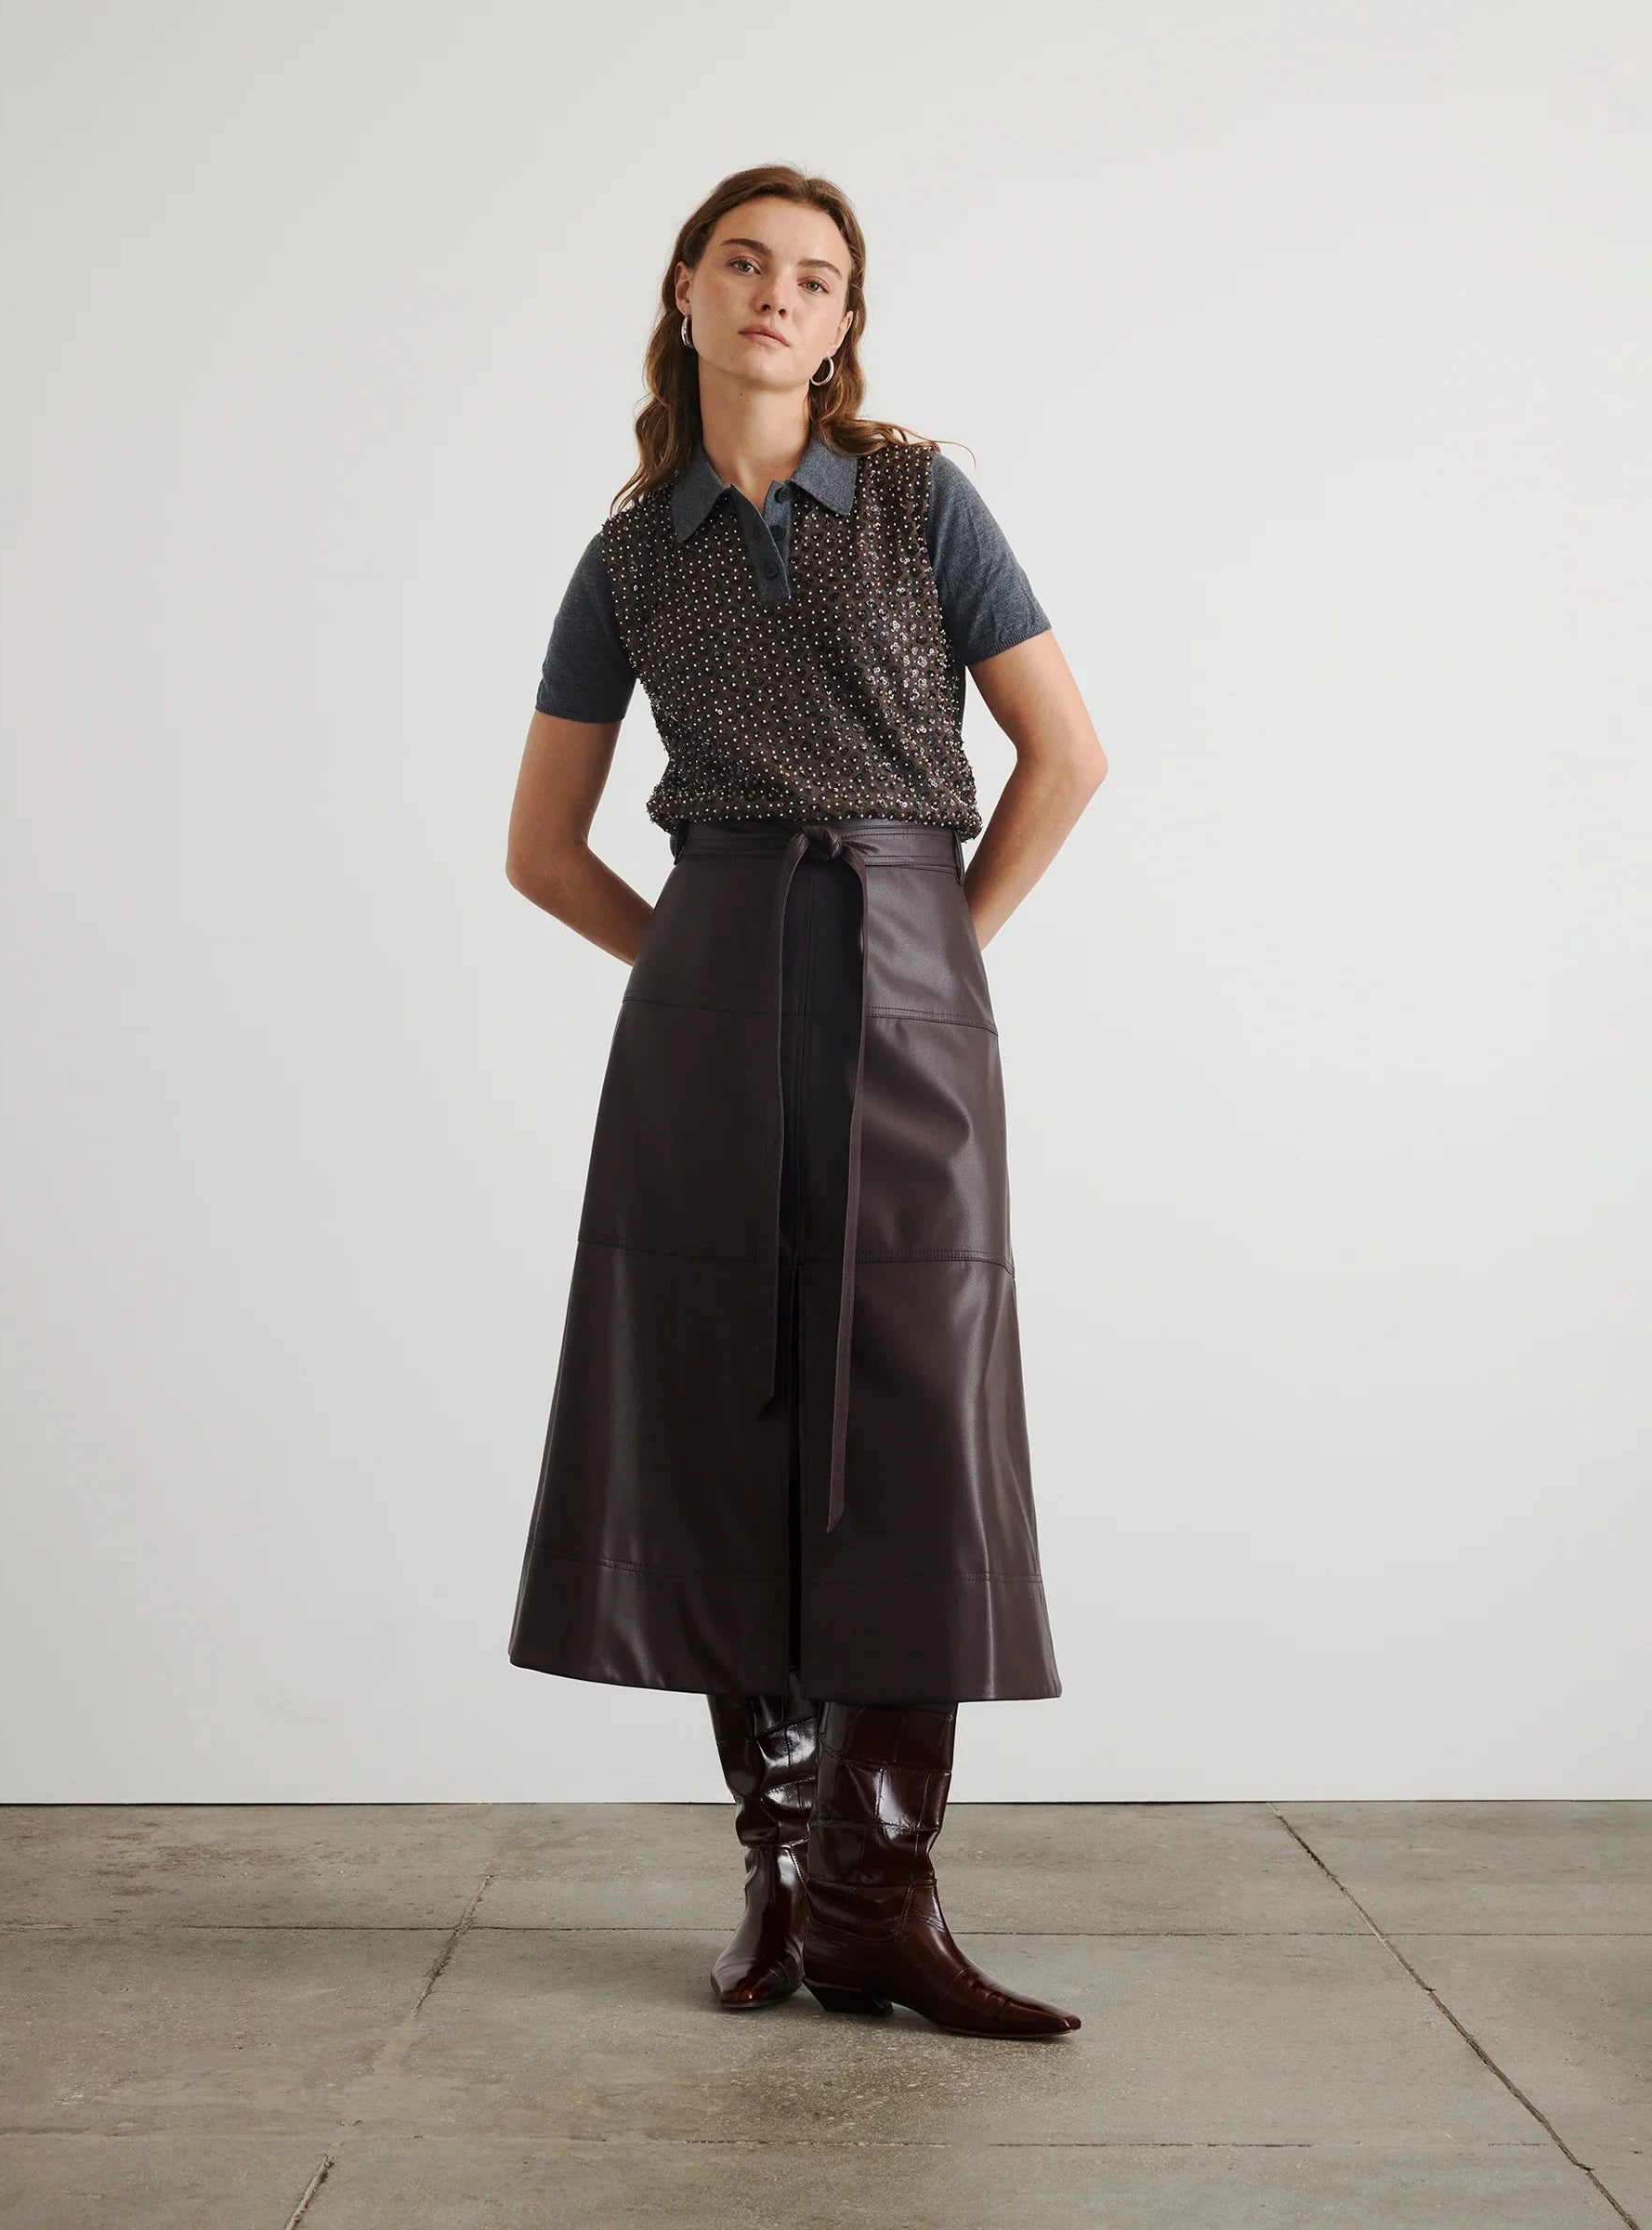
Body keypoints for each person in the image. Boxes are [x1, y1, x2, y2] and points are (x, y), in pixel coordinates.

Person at [505, 164, 1108, 2040]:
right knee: (725, 1402)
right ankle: (780, 1876)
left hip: (909, 972)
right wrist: (714, 974)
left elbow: (1068, 754)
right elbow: (542, 849)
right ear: (686, 289)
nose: (779, 293)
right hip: (711, 1001)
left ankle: (877, 1894)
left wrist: (935, 953)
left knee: (912, 1407)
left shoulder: (920, 500)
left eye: (818, 276)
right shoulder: (629, 557)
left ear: (847, 326)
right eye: (747, 262)